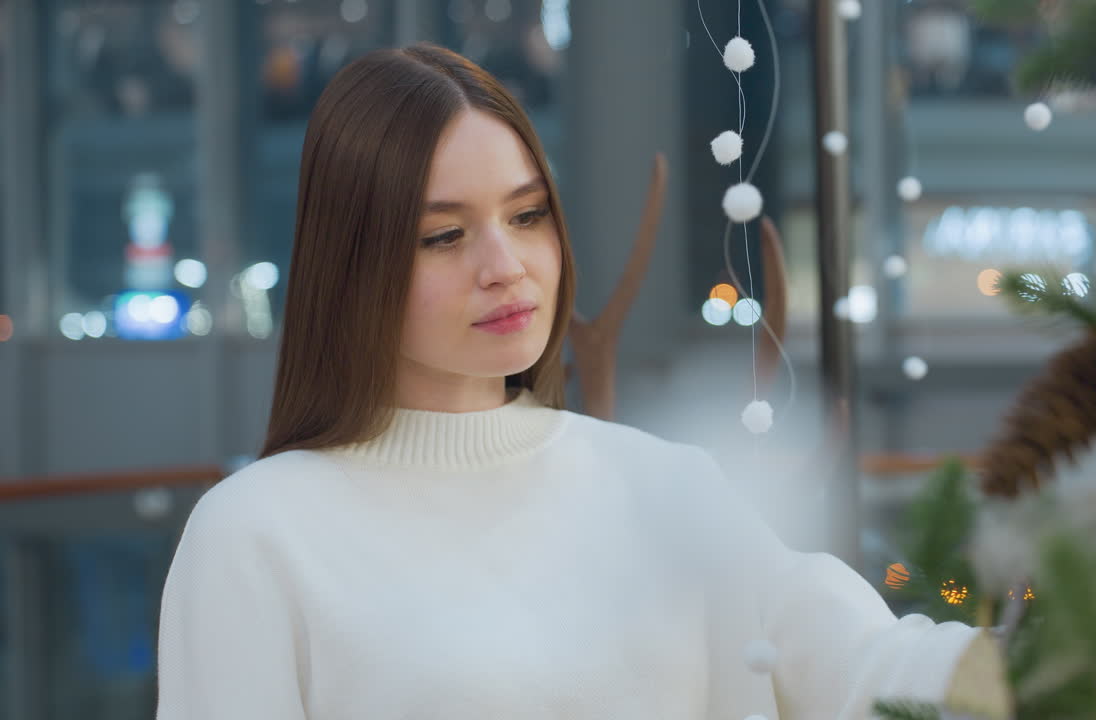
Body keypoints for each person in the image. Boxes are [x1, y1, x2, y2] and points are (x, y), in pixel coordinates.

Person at [155, 42, 1003, 720]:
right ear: (353, 263)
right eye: (444, 237)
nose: (506, 266)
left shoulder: (667, 486)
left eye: (527, 217)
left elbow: (868, 669)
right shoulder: (257, 535)